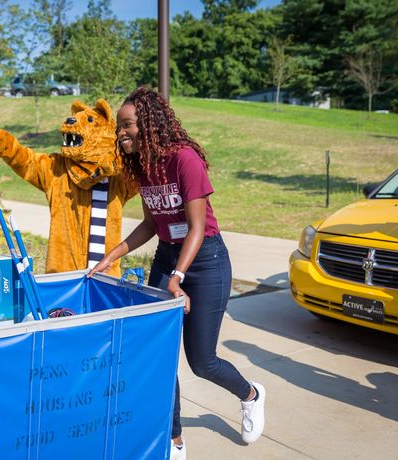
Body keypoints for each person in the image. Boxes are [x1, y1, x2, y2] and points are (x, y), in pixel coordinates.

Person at [87, 86, 266, 459]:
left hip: (205, 262)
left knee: (202, 362)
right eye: (119, 127)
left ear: (150, 124)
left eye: (128, 125)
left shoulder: (184, 160)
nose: (121, 133)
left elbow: (197, 228)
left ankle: (250, 394)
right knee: (160, 354)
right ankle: (174, 439)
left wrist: (178, 277)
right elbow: (153, 222)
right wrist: (113, 254)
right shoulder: (145, 167)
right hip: (168, 257)